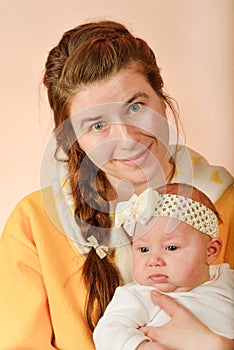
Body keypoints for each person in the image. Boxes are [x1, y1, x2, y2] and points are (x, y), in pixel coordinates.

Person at [0, 19, 233, 350]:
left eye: (136, 107)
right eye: (97, 124)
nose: (126, 140)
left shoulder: (227, 203)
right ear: (75, 140)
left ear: (162, 102)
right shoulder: (32, 225)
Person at [93, 183, 234, 349]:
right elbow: (107, 331)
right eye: (143, 249)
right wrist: (142, 347)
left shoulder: (228, 280)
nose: (153, 260)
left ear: (210, 251)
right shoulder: (137, 295)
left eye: (171, 248)